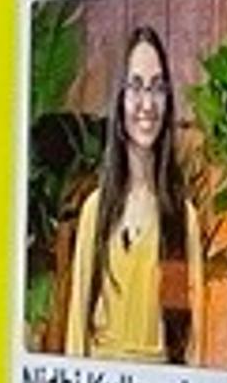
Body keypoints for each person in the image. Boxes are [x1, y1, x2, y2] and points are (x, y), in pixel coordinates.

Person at [63, 26, 209, 363]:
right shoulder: (94, 212)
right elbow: (75, 334)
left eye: (158, 88)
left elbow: (194, 341)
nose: (147, 103)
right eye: (137, 86)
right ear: (120, 98)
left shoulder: (181, 217)